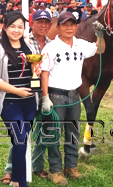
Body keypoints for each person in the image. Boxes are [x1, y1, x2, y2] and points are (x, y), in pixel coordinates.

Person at [40, 11, 105, 185]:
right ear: (58, 27)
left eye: (72, 24)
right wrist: (45, 97)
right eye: (65, 24)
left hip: (74, 95)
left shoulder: (80, 44)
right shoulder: (51, 47)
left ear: (76, 27)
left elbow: (100, 49)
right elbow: (44, 73)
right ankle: (55, 170)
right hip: (56, 95)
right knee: (54, 134)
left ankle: (71, 166)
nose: (69, 27)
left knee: (72, 133)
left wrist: (100, 35)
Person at [0, 11, 37, 187]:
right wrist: (16, 91)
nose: (16, 30)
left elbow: (37, 72)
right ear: (5, 28)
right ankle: (21, 183)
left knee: (20, 140)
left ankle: (15, 179)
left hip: (30, 102)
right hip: (9, 102)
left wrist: (36, 70)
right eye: (13, 26)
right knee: (20, 138)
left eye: (20, 27)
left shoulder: (30, 48)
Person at [2, 9, 53, 185]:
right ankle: (11, 170)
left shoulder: (51, 43)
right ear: (31, 24)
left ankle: (37, 166)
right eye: (39, 21)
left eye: (46, 22)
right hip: (19, 95)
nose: (43, 25)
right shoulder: (24, 41)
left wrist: (45, 95)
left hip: (40, 93)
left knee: (38, 132)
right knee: (19, 134)